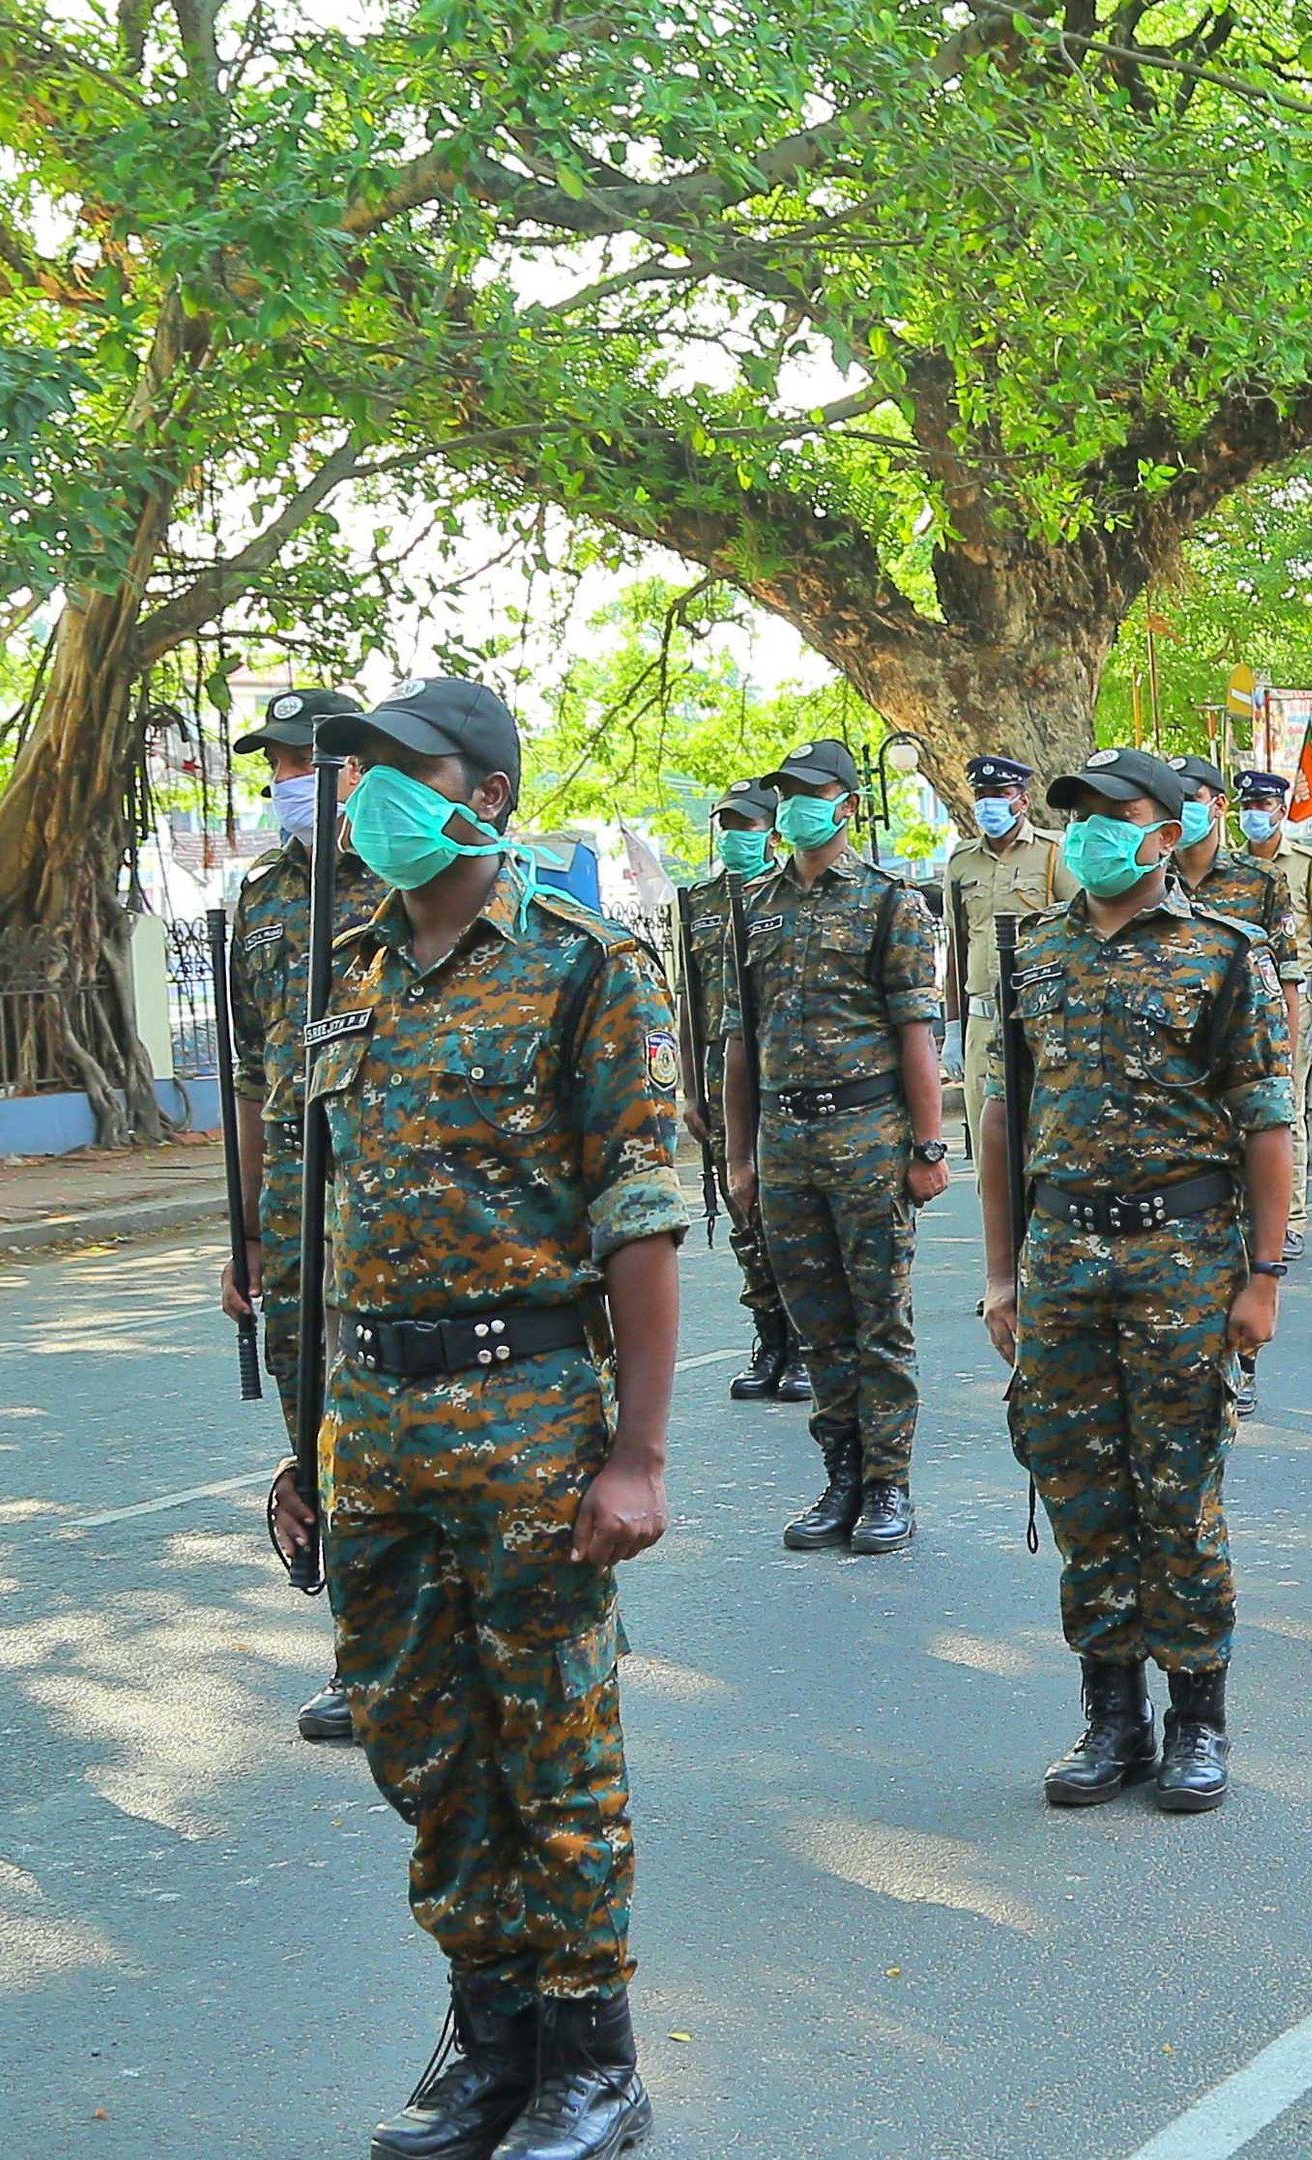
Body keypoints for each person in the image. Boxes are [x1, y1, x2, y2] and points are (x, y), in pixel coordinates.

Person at [276, 678, 681, 2160]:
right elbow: (324, 1229)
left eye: (403, 770)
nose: (369, 797)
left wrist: (635, 1453)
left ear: (487, 796)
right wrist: (306, 1437)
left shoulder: (589, 969)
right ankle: (489, 2036)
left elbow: (640, 1221)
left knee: (553, 1746)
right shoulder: (349, 977)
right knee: (418, 1740)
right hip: (375, 1425)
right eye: (357, 774)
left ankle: (593, 2060)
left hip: (525, 1412)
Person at [977, 746, 1292, 1814]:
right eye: (1077, 816)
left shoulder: (1224, 955)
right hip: (1062, 1258)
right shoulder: (1031, 954)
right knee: (1079, 1487)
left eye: (1114, 816)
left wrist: (1264, 1275)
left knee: (1178, 1493)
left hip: (1181, 1255)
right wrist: (1000, 1274)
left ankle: (1197, 1716)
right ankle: (1112, 1716)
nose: (1089, 833)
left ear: (1167, 833)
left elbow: (1266, 1122)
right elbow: (1000, 1119)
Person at [219, 689, 391, 1743]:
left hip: (384, 1190)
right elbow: (245, 1071)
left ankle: (406, 1645)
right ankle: (353, 1644)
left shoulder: (405, 885)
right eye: (278, 762)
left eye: (309, 761)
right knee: (311, 1413)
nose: (288, 779)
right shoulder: (260, 896)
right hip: (289, 1191)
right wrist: (242, 1229)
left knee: (389, 1414)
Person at [726, 738, 946, 1556]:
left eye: (810, 793)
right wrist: (739, 1155)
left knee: (878, 1316)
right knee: (816, 1320)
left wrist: (928, 1145)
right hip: (787, 1138)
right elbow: (737, 1041)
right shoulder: (754, 907)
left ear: (847, 805)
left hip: (869, 1134)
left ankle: (889, 1482)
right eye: (785, 794)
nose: (794, 809)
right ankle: (842, 1473)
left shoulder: (892, 905)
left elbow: (915, 1034)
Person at [1164, 755, 1305, 1411]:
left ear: (1216, 804)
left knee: (1247, 1214)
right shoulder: (1150, 878)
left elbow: (1286, 979)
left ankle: (1241, 1355)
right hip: (1172, 1079)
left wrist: (1287, 1065)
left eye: (1190, 796)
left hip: (1243, 1067)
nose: (1181, 808)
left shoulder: (1259, 883)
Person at [676, 781, 804, 1405]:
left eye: (747, 826)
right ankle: (769, 1337)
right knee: (745, 1213)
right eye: (725, 824)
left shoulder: (790, 898)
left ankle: (806, 1342)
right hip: (720, 1074)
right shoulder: (698, 901)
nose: (734, 836)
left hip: (781, 1071)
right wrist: (690, 1089)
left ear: (772, 834)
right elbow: (690, 1002)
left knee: (792, 1216)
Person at [939, 752, 1077, 1178]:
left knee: (1048, 1143)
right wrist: (952, 1028)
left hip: (1043, 1016)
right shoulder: (962, 862)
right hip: (982, 1020)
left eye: (999, 794)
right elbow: (957, 952)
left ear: (1022, 799)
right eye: (981, 795)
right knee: (992, 1158)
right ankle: (999, 1243)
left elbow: (1076, 934)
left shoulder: (1055, 852)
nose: (988, 804)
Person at [1234, 767, 1312, 1258]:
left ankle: (1290, 1217)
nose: (1254, 814)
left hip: (1289, 998)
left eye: (1263, 805)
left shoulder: (1306, 863)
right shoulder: (1231, 867)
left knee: (1287, 1108)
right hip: (1236, 1000)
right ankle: (1242, 1212)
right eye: (1247, 806)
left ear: (1281, 809)